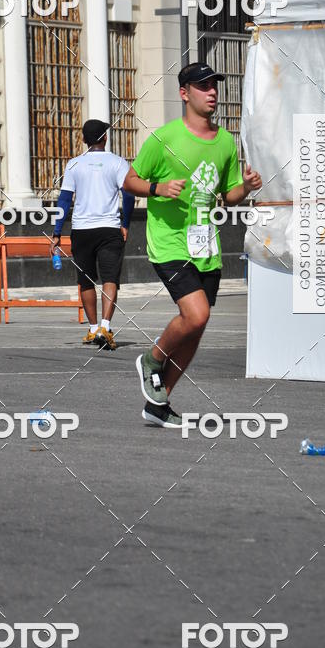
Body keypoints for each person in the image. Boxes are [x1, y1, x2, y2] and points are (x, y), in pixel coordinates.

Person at [123, 62, 262, 427]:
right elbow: (130, 179)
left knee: (197, 327)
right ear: (185, 93)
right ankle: (151, 360)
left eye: (215, 85)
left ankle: (158, 404)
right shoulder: (165, 138)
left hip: (206, 246)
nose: (212, 91)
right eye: (203, 86)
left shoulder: (225, 141)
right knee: (196, 314)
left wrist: (245, 187)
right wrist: (158, 188)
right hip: (169, 243)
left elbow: (227, 196)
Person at [51, 120, 135, 350]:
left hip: (81, 230)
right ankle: (105, 328)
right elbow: (128, 195)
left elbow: (64, 200)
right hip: (109, 229)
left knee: (85, 279)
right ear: (105, 138)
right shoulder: (118, 163)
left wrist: (57, 232)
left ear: (85, 140)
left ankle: (91, 328)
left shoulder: (74, 165)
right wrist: (125, 223)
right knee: (110, 278)